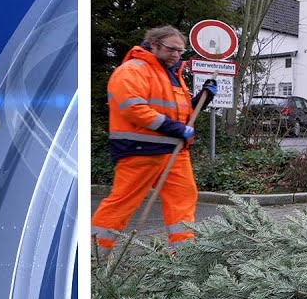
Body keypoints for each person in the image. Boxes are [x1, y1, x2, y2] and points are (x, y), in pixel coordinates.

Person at [91, 25, 216, 253]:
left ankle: (183, 254)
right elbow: (133, 108)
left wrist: (201, 100)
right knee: (122, 203)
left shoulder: (172, 76)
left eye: (180, 51)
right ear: (154, 44)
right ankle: (94, 255)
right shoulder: (132, 70)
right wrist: (174, 128)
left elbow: (181, 113)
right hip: (140, 150)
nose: (177, 55)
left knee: (183, 200)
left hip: (174, 151)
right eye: (172, 49)